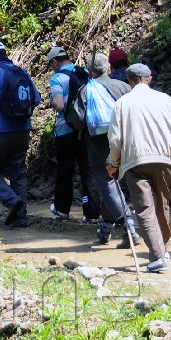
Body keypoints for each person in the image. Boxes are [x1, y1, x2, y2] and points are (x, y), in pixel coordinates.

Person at [106, 64, 171, 272]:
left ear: (129, 81)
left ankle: (158, 255)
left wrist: (113, 163)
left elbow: (115, 140)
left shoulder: (122, 104)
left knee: (144, 209)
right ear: (149, 79)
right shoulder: (165, 100)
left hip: (135, 163)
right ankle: (163, 250)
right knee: (162, 205)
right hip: (164, 160)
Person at [0, 40, 40, 228]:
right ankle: (21, 218)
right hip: (22, 129)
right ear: (5, 53)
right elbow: (36, 99)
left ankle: (11, 200)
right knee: (18, 172)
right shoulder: (20, 71)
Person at [79, 53, 136, 246]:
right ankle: (106, 227)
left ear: (90, 71)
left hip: (98, 144)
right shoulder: (123, 87)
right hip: (125, 140)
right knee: (113, 182)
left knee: (106, 181)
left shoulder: (86, 90)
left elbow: (78, 120)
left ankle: (128, 226)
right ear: (108, 68)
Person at [47, 46, 99, 222]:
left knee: (65, 169)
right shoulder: (84, 72)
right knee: (87, 169)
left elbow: (60, 105)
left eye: (51, 64)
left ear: (55, 62)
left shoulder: (57, 78)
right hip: (86, 129)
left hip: (66, 130)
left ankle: (62, 209)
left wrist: (52, 103)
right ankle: (91, 213)